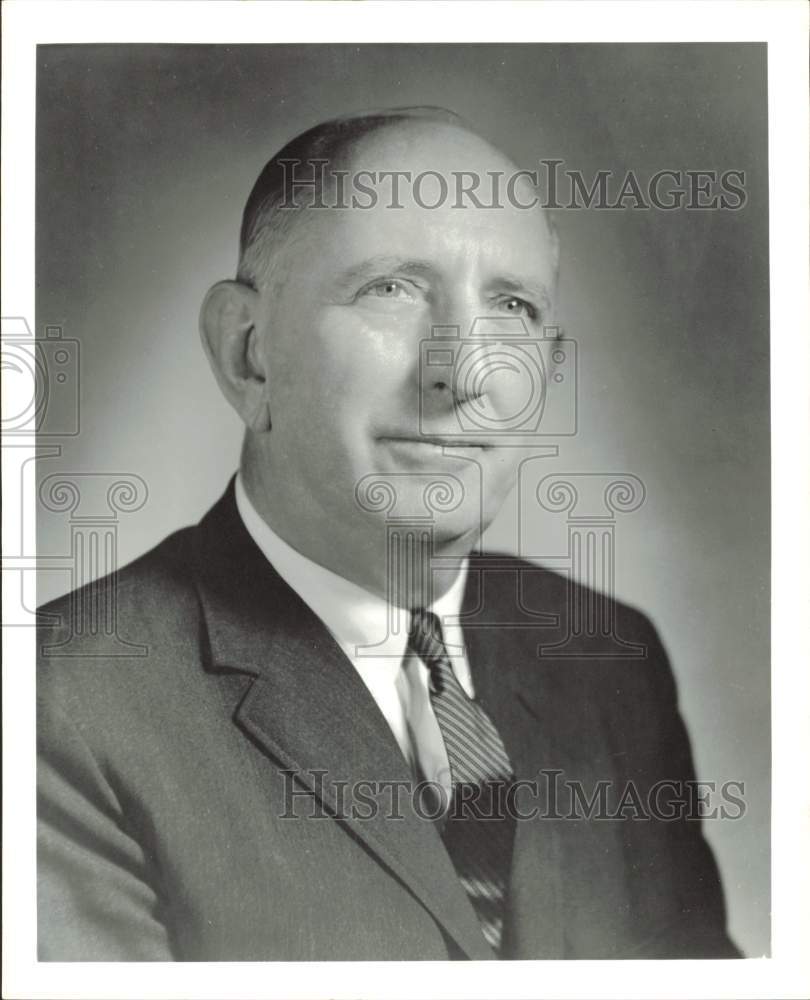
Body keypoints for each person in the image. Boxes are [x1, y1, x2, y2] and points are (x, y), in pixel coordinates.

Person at [37, 106, 741, 960]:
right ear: (247, 354)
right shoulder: (59, 704)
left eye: (512, 305)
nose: (463, 371)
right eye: (391, 289)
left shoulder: (610, 662)